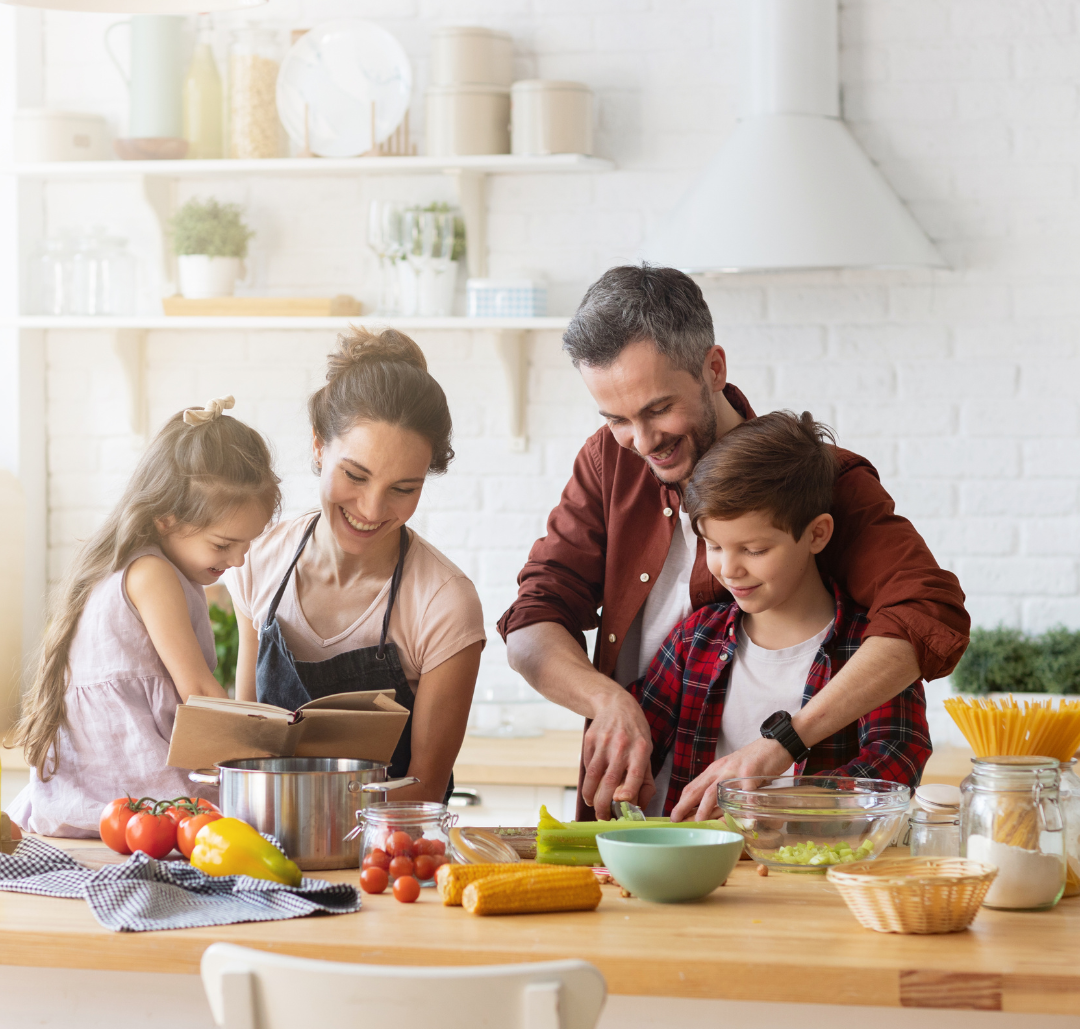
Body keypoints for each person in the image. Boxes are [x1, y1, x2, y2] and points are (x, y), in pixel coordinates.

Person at [498, 265, 968, 820]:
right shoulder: (609, 461)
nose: (642, 442)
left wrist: (783, 748)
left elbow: (927, 612)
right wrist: (607, 701)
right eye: (616, 418)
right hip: (650, 828)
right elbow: (531, 623)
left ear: (713, 368)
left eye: (657, 409)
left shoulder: (816, 480)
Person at [227, 327, 485, 805]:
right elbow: (248, 746)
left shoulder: (443, 602)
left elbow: (425, 789)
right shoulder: (257, 561)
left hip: (387, 855)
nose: (371, 508)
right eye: (355, 475)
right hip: (266, 846)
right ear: (319, 447)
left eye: (403, 489)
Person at [634, 410, 931, 822]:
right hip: (698, 871)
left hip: (816, 874)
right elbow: (638, 742)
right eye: (714, 546)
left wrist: (773, 808)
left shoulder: (870, 650)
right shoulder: (693, 639)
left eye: (754, 550)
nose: (729, 570)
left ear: (817, 534)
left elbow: (894, 764)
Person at [8, 397, 279, 837]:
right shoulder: (152, 574)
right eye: (223, 544)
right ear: (166, 519)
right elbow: (196, 690)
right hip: (129, 779)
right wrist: (256, 753)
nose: (238, 560)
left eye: (247, 545)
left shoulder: (143, 564)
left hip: (100, 783)